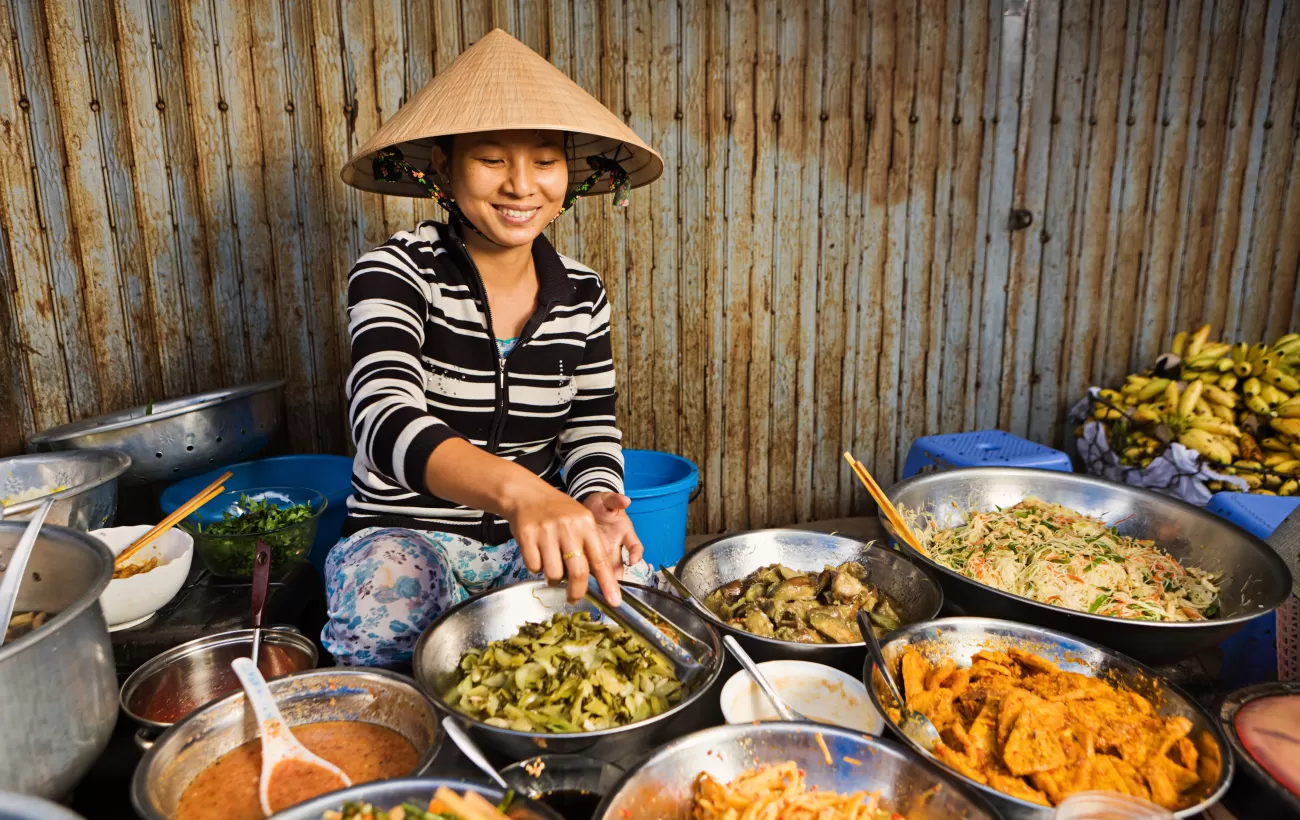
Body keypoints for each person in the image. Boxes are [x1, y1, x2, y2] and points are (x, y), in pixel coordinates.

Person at [323, 29, 665, 666]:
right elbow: (381, 418)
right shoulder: (395, 271)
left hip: (524, 542)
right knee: (392, 613)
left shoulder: (584, 293)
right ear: (444, 168)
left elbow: (590, 425)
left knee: (630, 611)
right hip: (404, 536)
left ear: (570, 172)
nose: (520, 185)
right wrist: (521, 493)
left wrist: (594, 501)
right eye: (489, 159)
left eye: (543, 159)